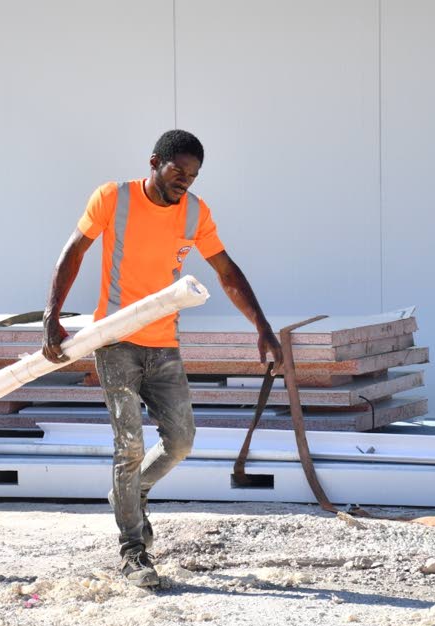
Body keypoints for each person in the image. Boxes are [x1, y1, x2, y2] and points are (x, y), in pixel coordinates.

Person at [41, 129, 282, 588]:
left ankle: (129, 492)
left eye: (192, 176)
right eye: (178, 172)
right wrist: (52, 315)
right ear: (155, 162)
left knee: (181, 441)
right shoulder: (114, 198)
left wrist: (263, 329)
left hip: (163, 342)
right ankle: (133, 552)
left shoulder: (196, 212)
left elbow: (226, 271)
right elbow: (75, 251)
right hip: (114, 341)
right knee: (129, 446)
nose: (184, 182)